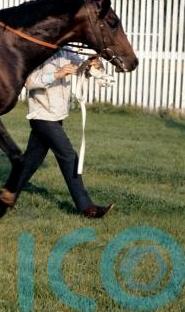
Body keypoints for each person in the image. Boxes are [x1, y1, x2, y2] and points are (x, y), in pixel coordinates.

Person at [12, 50, 114, 218]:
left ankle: (7, 197)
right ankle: (87, 208)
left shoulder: (65, 51)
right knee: (68, 156)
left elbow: (84, 68)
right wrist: (58, 74)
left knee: (30, 161)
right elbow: (29, 82)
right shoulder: (35, 52)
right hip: (42, 116)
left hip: (56, 115)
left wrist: (94, 63)